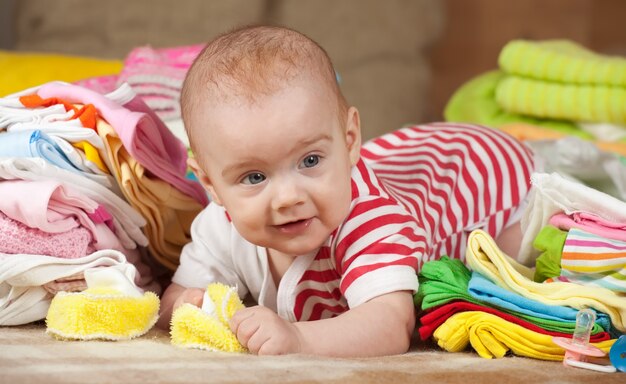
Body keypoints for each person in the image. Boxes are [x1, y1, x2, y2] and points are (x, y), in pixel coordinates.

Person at [157, 25, 535, 357]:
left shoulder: (371, 222)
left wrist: (298, 338)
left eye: (309, 161)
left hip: (482, 176)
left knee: (511, 260)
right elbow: (173, 299)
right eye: (255, 178)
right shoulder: (220, 225)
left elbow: (390, 324)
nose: (289, 197)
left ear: (350, 139)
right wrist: (185, 304)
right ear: (211, 184)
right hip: (406, 160)